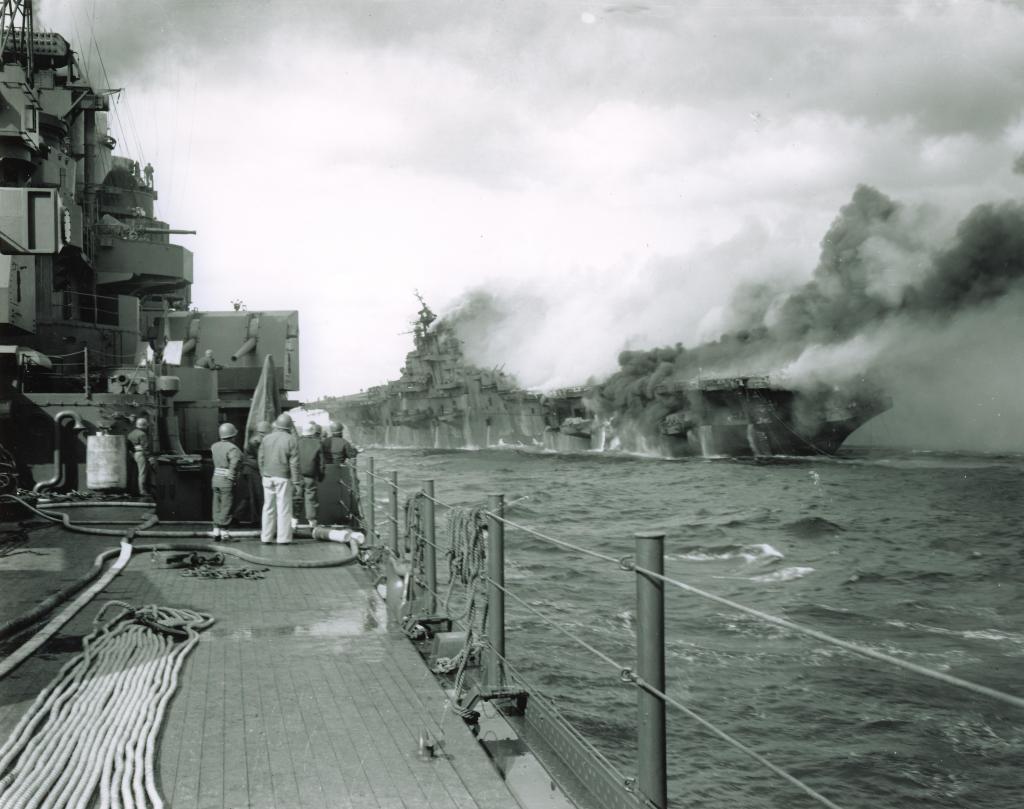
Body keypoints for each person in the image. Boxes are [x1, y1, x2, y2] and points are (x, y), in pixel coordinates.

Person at [258, 413, 300, 544]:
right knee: (284, 508)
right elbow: (294, 464)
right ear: (289, 426)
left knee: (268, 507)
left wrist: (263, 473)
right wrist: (296, 482)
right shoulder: (291, 440)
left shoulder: (266, 438)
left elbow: (261, 458)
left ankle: (266, 537)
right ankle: (283, 538)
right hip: (283, 478)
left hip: (267, 476)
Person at [233, 420, 271, 525]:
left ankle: (236, 517)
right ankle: (256, 520)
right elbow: (261, 457)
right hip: (253, 470)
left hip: (250, 470)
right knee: (257, 496)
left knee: (250, 496)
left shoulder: (255, 440)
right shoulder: (256, 441)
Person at [323, 421, 360, 525]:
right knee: (349, 491)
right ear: (341, 431)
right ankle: (352, 513)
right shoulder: (344, 443)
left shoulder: (325, 442)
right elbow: (351, 455)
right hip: (339, 473)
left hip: (325, 473)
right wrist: (356, 451)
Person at [210, 423, 243, 539]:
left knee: (216, 505)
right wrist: (232, 479)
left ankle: (216, 530)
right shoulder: (233, 448)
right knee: (226, 506)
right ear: (232, 436)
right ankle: (224, 532)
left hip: (215, 479)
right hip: (226, 480)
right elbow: (234, 465)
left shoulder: (214, 446)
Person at [295, 422, 324, 528]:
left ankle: (294, 521)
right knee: (311, 499)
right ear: (313, 432)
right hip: (310, 477)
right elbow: (321, 464)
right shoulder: (317, 443)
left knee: (296, 497)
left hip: (297, 476)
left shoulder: (296, 442)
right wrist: (321, 476)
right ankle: (312, 523)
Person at [125, 416, 154, 497]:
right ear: (144, 425)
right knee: (142, 473)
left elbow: (128, 446)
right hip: (141, 454)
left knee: (134, 473)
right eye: (146, 425)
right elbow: (145, 447)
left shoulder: (131, 433)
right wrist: (150, 458)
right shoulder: (142, 434)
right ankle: (142, 491)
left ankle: (132, 490)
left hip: (133, 454)